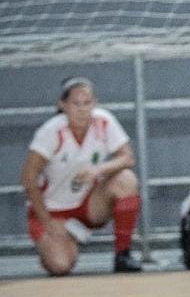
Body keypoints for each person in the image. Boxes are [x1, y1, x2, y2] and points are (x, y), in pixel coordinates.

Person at [20, 77, 142, 275]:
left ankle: (122, 254)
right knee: (60, 266)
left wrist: (99, 170)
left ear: (95, 103)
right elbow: (28, 178)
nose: (82, 109)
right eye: (76, 104)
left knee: (126, 180)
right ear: (63, 105)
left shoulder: (104, 121)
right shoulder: (51, 132)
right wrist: (47, 221)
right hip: (53, 210)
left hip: (87, 204)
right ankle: (56, 245)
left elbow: (127, 157)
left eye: (87, 103)